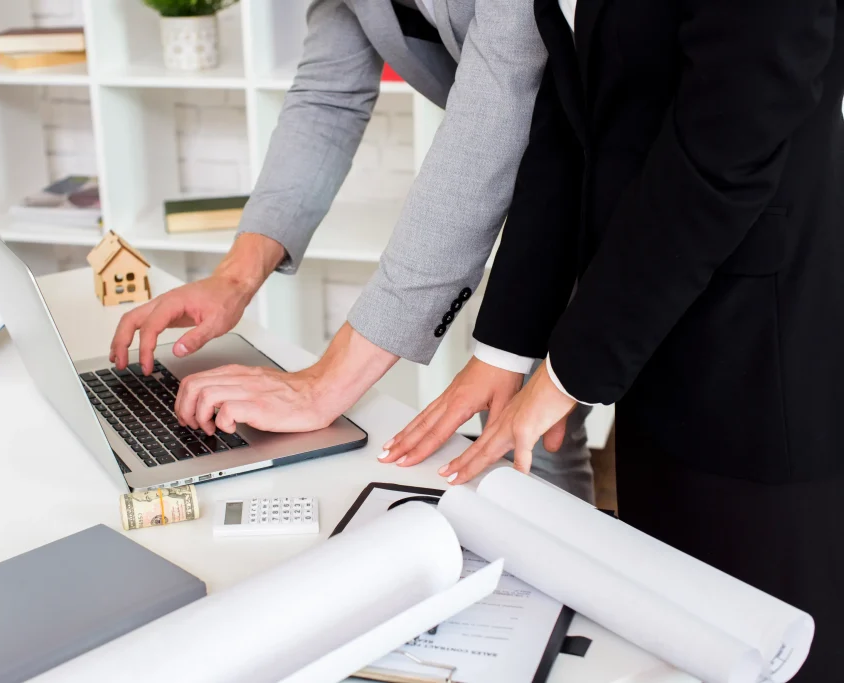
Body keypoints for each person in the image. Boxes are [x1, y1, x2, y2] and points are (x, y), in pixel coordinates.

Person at [384, 0, 844, 679]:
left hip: (758, 366)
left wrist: (565, 373)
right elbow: (572, 122)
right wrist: (504, 348)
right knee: (662, 644)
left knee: (766, 649)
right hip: (648, 349)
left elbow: (721, 159)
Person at [110, 0, 596, 501]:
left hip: (632, 190)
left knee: (543, 439)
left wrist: (327, 383)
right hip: (547, 186)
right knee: (526, 439)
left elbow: (491, 120)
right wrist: (236, 275)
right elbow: (327, 99)